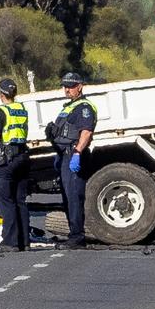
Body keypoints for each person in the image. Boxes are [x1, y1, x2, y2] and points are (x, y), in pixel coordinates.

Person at [48, 72, 96, 250]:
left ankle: (77, 237)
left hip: (73, 155)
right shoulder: (69, 106)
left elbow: (86, 132)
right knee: (68, 198)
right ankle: (73, 234)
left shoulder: (84, 107)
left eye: (70, 86)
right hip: (64, 156)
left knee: (74, 197)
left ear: (80, 86)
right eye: (65, 86)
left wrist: (77, 152)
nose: (67, 89)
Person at [0, 78, 31, 253]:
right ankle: (24, 241)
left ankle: (10, 242)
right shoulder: (21, 109)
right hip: (22, 156)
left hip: (7, 160)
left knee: (6, 201)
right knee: (20, 200)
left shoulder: (0, 112)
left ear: (1, 94)